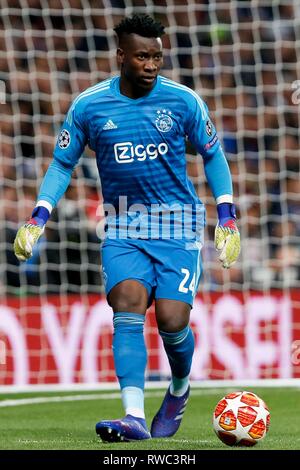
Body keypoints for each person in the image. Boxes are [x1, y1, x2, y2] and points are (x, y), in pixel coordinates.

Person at [14, 14, 240, 442]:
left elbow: (212, 155)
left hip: (179, 223)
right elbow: (63, 163)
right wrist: (38, 217)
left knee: (173, 321)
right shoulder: (90, 105)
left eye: (157, 55)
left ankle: (178, 387)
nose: (152, 64)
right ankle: (134, 416)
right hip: (123, 223)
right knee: (128, 303)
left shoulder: (183, 101)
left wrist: (226, 215)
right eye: (142, 56)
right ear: (121, 56)